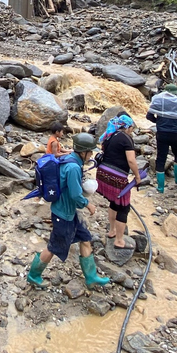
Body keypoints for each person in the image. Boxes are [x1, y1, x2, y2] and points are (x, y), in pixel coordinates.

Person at [26, 133, 111, 289]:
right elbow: (74, 194)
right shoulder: (73, 167)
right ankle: (33, 275)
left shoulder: (70, 160)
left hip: (69, 213)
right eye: (90, 152)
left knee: (85, 239)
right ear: (83, 152)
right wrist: (88, 204)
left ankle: (91, 277)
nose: (91, 155)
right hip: (63, 214)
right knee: (53, 247)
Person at [96, 114, 143, 249]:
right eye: (132, 129)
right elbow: (131, 160)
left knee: (113, 202)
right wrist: (138, 177)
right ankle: (119, 240)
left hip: (102, 174)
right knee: (123, 207)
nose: (132, 131)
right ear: (127, 127)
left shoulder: (110, 135)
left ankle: (112, 231)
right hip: (115, 177)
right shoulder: (126, 139)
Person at [146, 83, 177, 192]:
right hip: (175, 134)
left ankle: (161, 187)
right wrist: (176, 117)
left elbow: (149, 116)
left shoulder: (158, 101)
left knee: (161, 158)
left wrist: (158, 121)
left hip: (161, 134)